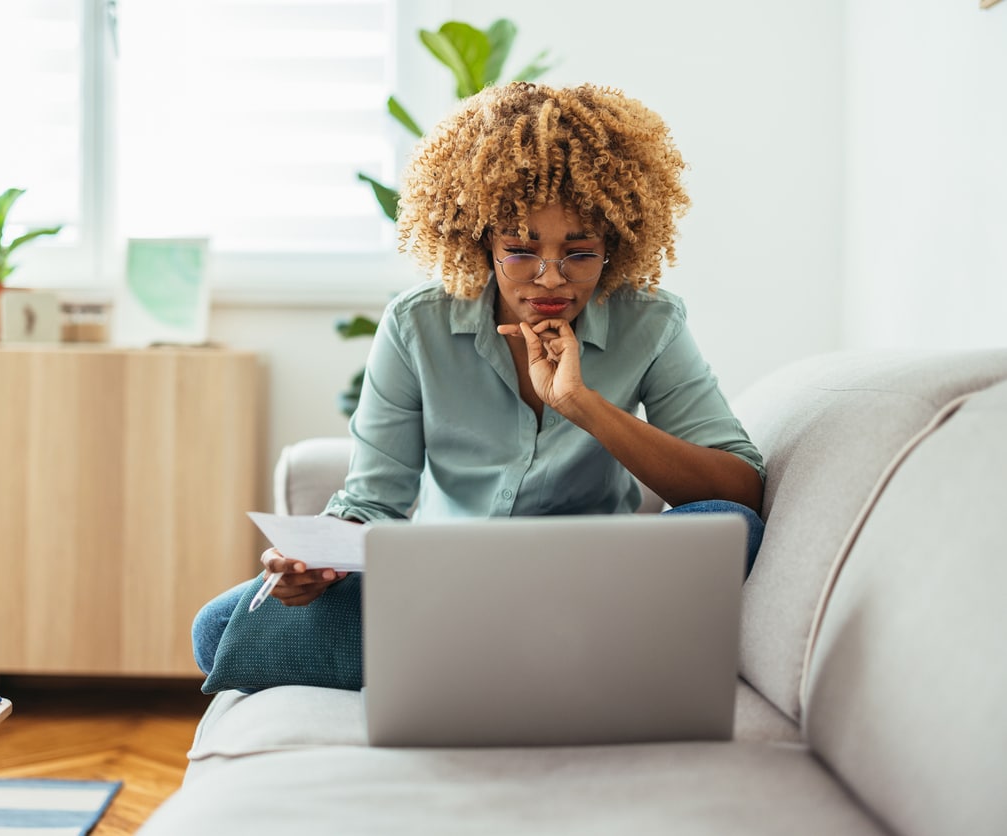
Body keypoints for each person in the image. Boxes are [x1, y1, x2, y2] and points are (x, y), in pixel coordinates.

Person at [192, 81, 765, 676]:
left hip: (588, 582)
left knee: (732, 529)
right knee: (217, 632)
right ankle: (546, 661)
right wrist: (317, 561)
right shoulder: (419, 325)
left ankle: (477, 662)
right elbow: (372, 501)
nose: (550, 279)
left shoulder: (650, 322)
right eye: (520, 250)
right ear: (480, 241)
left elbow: (739, 493)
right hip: (444, 584)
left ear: (614, 247)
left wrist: (581, 403)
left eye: (579, 253)